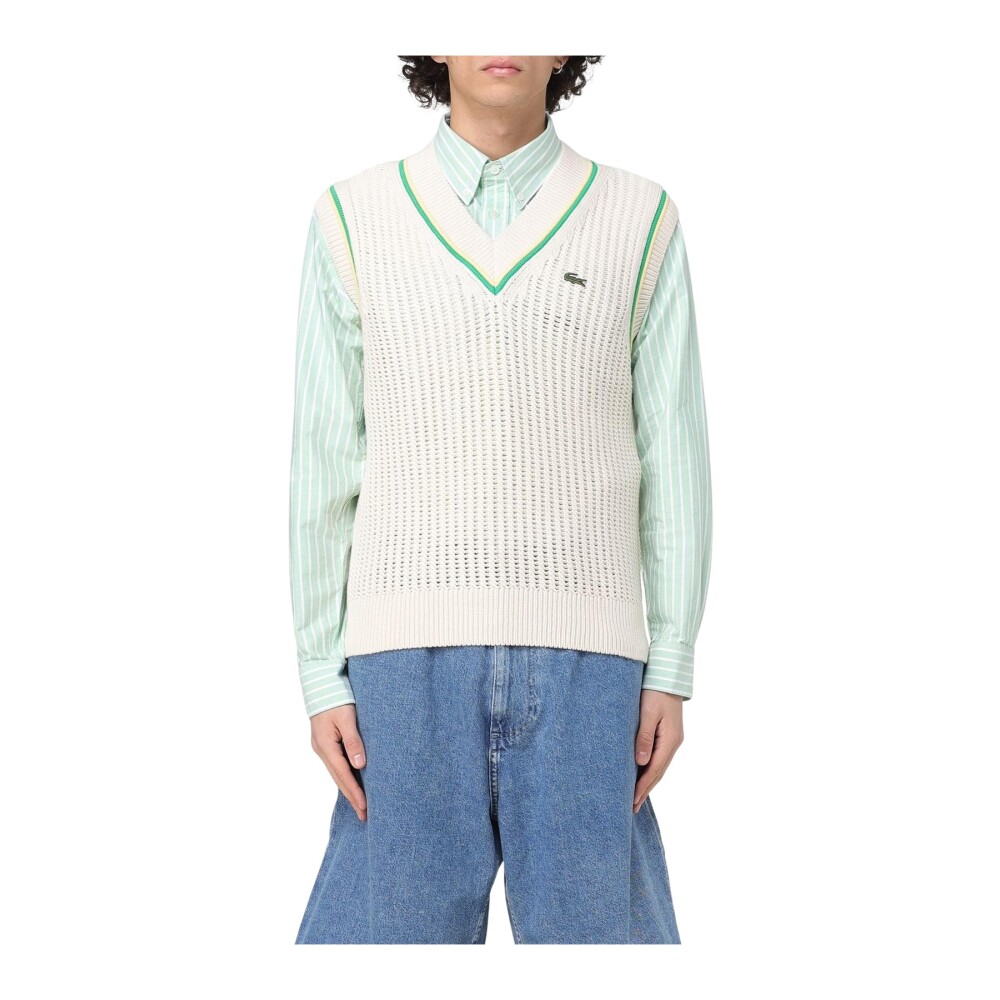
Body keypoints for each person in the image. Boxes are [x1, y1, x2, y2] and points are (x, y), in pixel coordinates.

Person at [288, 55, 713, 944]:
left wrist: (671, 662)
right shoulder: (353, 218)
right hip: (401, 665)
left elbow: (673, 453)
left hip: (592, 663)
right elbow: (325, 461)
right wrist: (321, 671)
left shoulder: (640, 218)